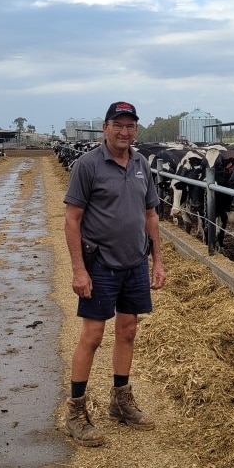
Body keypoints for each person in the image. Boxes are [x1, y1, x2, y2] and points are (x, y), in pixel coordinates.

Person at [62, 100, 166, 447]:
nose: (124, 132)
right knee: (92, 336)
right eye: (118, 125)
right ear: (105, 127)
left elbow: (150, 215)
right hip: (100, 263)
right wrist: (79, 269)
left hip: (134, 261)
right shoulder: (88, 165)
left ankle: (120, 401)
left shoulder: (140, 163)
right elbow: (72, 219)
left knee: (128, 330)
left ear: (136, 129)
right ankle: (75, 411)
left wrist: (157, 261)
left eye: (130, 125)